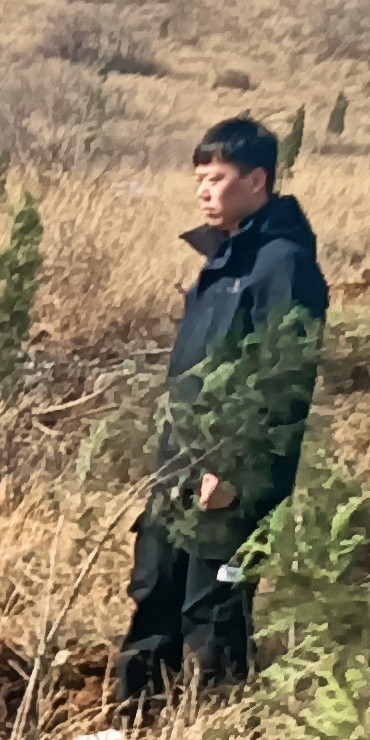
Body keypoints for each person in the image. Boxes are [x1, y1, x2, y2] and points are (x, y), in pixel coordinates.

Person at [116, 118, 327, 709]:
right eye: (199, 179)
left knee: (213, 605)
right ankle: (135, 721)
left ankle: (217, 727)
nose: (203, 191)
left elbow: (283, 379)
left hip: (231, 473)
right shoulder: (226, 260)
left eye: (217, 178)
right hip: (181, 462)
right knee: (155, 586)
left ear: (257, 180)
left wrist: (236, 470)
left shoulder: (282, 264)